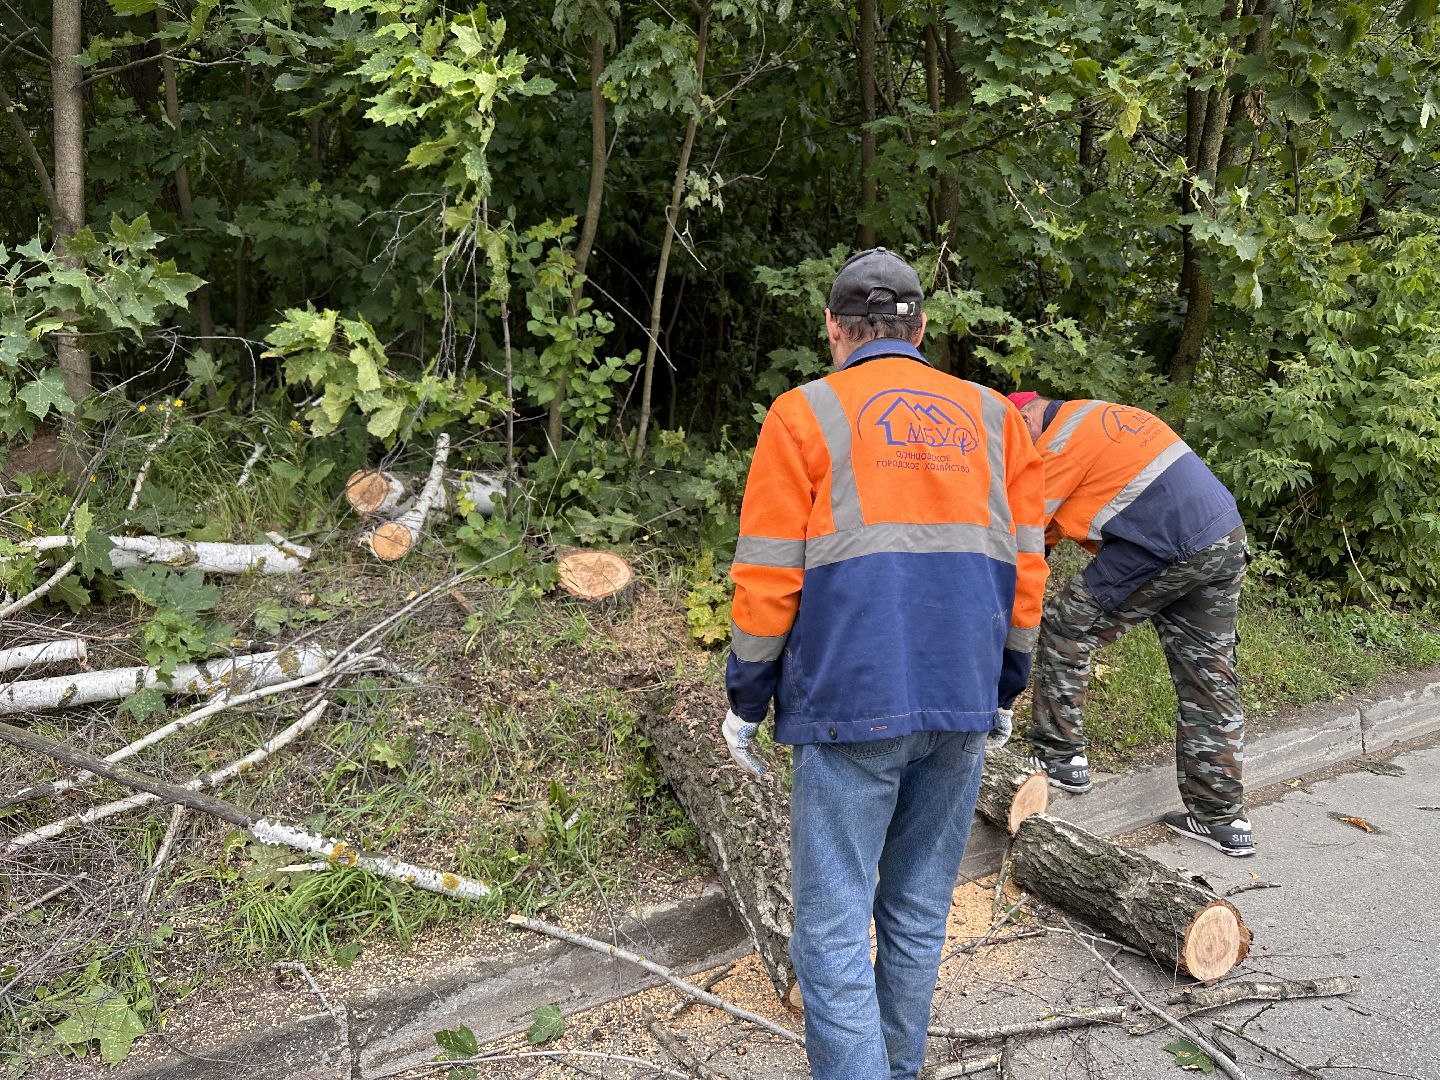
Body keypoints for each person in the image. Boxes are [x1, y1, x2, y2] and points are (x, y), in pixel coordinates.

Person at [722, 247, 1049, 1080]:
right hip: (963, 704)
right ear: (921, 328)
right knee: (916, 911)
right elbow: (1027, 571)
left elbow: (767, 574)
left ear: (834, 329)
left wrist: (746, 699)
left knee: (830, 929)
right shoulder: (994, 418)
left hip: (847, 704)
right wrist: (1008, 685)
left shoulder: (802, 416)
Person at [1007, 391, 1256, 858]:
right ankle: (1223, 819)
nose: (1015, 457)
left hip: (1166, 541)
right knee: (1209, 675)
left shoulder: (1059, 441)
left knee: (1067, 622)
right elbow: (1048, 534)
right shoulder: (1093, 418)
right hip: (1223, 534)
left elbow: (1024, 538)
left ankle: (1060, 758)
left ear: (1024, 416)